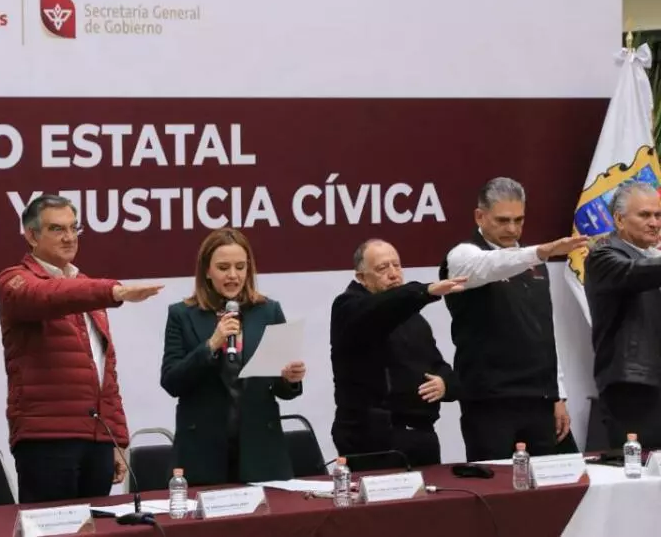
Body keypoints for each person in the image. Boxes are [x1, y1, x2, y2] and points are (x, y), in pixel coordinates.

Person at [0, 195, 164, 503]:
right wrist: (113, 291)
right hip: (46, 437)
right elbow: (48, 295)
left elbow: (105, 370)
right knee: (51, 525)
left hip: (97, 437)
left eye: (74, 228)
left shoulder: (85, 286)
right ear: (31, 235)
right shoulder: (14, 280)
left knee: (97, 524)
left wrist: (116, 437)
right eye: (57, 229)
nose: (69, 237)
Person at [440, 177, 586, 461]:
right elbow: (491, 265)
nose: (512, 229)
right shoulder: (463, 255)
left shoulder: (533, 262)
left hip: (539, 398)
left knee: (553, 481)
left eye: (519, 220)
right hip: (491, 400)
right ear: (479, 216)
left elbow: (544, 332)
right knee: (496, 482)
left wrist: (558, 395)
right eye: (502, 220)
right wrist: (540, 252)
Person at [160, 228, 306, 485]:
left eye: (240, 267)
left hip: (261, 448)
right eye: (223, 267)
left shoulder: (269, 311)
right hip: (202, 450)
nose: (233, 275)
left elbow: (281, 389)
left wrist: (289, 379)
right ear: (207, 271)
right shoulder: (182, 315)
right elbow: (172, 381)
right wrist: (210, 345)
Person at [330, 239, 468, 471]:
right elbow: (381, 308)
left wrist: (444, 383)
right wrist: (425, 291)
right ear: (361, 277)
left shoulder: (413, 317)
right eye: (382, 268)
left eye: (397, 265)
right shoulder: (348, 307)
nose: (393, 274)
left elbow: (437, 365)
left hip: (421, 434)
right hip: (372, 438)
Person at [585, 181, 661, 449]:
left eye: (658, 215)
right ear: (619, 219)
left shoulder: (653, 257)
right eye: (645, 215)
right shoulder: (603, 255)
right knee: (638, 466)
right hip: (633, 385)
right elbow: (634, 273)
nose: (654, 223)